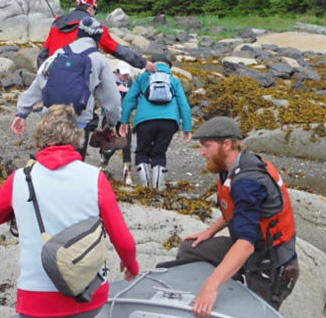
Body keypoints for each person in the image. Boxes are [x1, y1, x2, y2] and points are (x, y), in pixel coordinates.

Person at [0, 104, 140, 318]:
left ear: (40, 137)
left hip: (39, 302)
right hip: (86, 295)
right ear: (76, 138)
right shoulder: (94, 178)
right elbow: (124, 241)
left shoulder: (20, 179)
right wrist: (131, 266)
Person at [176, 116, 299, 317]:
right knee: (189, 249)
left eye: (207, 146)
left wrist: (212, 284)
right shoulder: (231, 168)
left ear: (227, 144)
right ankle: (206, 295)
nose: (202, 152)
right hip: (250, 249)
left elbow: (246, 244)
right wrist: (209, 232)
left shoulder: (247, 181)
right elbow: (235, 210)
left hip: (269, 264)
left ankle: (219, 294)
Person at [12, 16, 125, 159]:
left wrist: (21, 113)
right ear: (98, 38)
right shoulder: (99, 59)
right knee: (73, 167)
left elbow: (39, 83)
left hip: (50, 118)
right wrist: (111, 123)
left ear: (78, 34)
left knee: (47, 162)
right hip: (79, 122)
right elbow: (112, 99)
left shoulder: (59, 53)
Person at [119, 52, 193, 190]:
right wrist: (187, 128)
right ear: (167, 65)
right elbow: (184, 104)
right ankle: (157, 188)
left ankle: (146, 187)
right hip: (169, 121)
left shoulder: (142, 78)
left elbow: (129, 100)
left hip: (144, 120)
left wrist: (124, 121)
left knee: (142, 152)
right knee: (159, 153)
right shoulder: (174, 79)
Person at [37, 0, 157, 73]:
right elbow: (116, 49)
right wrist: (143, 62)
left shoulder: (57, 23)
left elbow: (43, 55)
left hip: (55, 72)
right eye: (95, 10)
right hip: (78, 75)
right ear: (90, 8)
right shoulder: (93, 27)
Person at [99, 61, 135, 185]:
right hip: (109, 116)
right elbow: (103, 96)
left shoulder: (130, 82)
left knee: (127, 143)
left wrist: (127, 91)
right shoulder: (109, 81)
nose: (126, 76)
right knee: (109, 144)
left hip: (124, 117)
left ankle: (127, 171)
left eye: (127, 74)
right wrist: (116, 90)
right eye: (124, 74)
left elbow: (135, 98)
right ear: (118, 72)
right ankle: (103, 163)